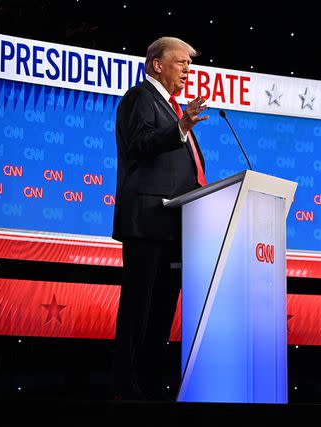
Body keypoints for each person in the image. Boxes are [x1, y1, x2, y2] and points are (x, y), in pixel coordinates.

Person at [112, 36, 209, 400]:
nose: (188, 69)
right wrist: (181, 127)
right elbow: (140, 144)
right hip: (148, 220)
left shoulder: (172, 107)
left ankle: (149, 388)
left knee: (162, 312)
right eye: (181, 62)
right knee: (140, 308)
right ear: (157, 64)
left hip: (174, 224)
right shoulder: (140, 98)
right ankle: (126, 390)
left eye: (189, 63)